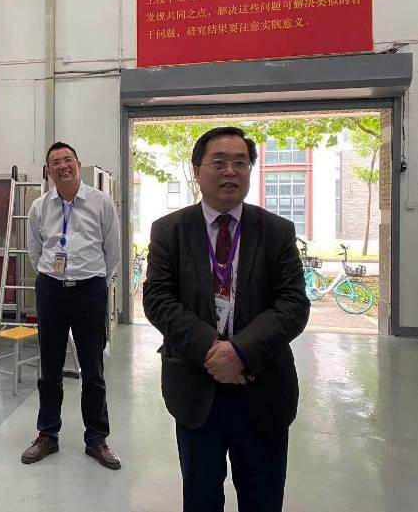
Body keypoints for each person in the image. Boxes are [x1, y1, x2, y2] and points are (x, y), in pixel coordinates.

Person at [142, 127, 310, 512]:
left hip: (263, 388)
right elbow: (158, 299)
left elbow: (293, 304)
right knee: (201, 499)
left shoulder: (276, 231)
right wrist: (211, 349)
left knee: (262, 499)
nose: (230, 171)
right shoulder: (170, 231)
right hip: (196, 389)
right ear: (197, 171)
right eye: (219, 162)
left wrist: (240, 352)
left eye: (240, 163)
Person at [21, 142, 121, 470]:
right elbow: (35, 250)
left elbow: (112, 250)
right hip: (51, 290)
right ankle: (47, 434)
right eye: (55, 162)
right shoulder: (39, 207)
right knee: (49, 368)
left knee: (93, 368)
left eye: (68, 160)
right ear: (48, 170)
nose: (62, 166)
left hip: (90, 290)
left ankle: (97, 439)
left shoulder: (101, 202)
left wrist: (94, 278)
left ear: (78, 164)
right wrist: (53, 277)